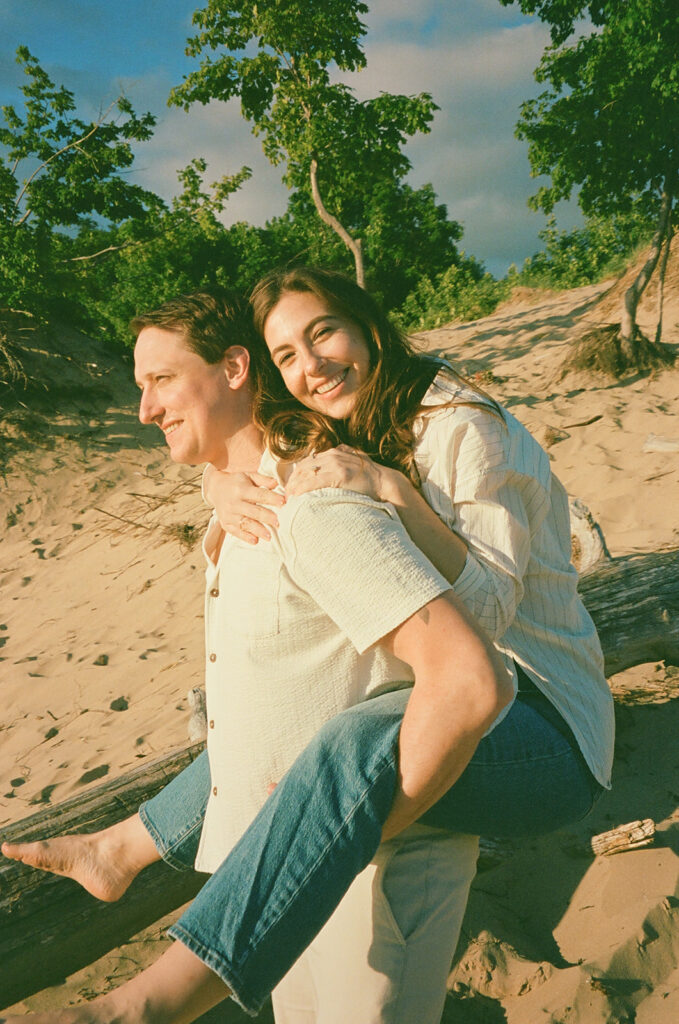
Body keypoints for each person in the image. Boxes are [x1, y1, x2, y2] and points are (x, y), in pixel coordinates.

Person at [0, 290, 515, 1024]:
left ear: (235, 367)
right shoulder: (247, 507)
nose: (144, 408)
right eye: (139, 385)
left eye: (161, 380)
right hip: (294, 873)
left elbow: (465, 679)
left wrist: (362, 830)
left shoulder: (314, 507)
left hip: (363, 879)